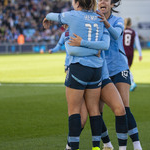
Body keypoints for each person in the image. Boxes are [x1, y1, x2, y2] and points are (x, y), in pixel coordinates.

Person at [43, 0, 110, 149]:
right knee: (94, 109)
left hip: (79, 68)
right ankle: (96, 147)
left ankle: (72, 147)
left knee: (74, 111)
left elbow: (50, 15)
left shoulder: (72, 15)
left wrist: (47, 18)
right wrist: (94, 51)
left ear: (78, 3)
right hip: (96, 69)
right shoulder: (99, 17)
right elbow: (104, 46)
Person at [96, 0, 143, 150]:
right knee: (96, 111)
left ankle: (137, 146)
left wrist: (105, 23)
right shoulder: (91, 20)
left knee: (123, 108)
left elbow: (116, 35)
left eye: (106, 0)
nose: (102, 1)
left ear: (112, 4)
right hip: (101, 70)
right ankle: (107, 144)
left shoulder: (117, 21)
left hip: (119, 67)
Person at [123, 18, 142, 91]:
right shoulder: (134, 32)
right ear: (130, 24)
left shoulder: (122, 31)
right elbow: (137, 44)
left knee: (126, 69)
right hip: (131, 52)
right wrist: (140, 54)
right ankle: (129, 83)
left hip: (124, 52)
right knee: (127, 68)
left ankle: (132, 82)